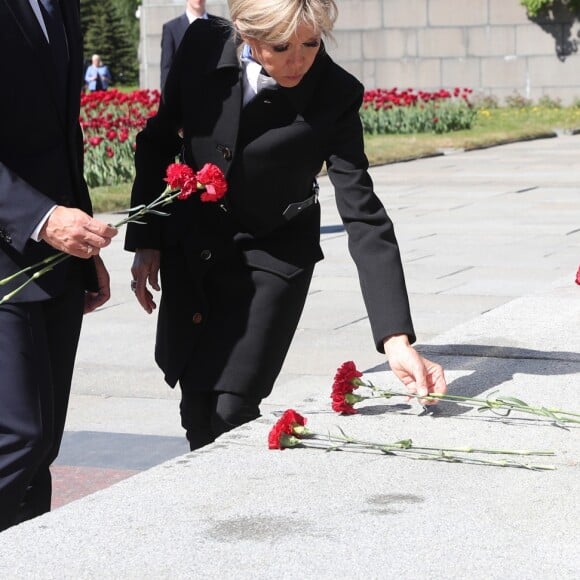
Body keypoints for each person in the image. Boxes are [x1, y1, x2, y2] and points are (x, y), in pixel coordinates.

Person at [125, 0, 447, 452]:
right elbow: (158, 141)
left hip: (274, 255)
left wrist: (395, 339)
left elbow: (363, 212)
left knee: (232, 408)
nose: (299, 59)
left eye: (311, 43)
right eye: (281, 46)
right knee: (196, 407)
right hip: (197, 247)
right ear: (246, 33)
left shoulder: (334, 93)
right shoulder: (201, 45)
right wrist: (147, 241)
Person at [0, 0, 117, 532]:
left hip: (56, 255)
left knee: (42, 442)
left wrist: (81, 239)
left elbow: (64, 135)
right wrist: (41, 219)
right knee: (16, 438)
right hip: (8, 253)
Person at [160, 0, 219, 89]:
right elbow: (166, 69)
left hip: (217, 95)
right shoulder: (171, 28)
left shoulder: (220, 25)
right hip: (183, 96)